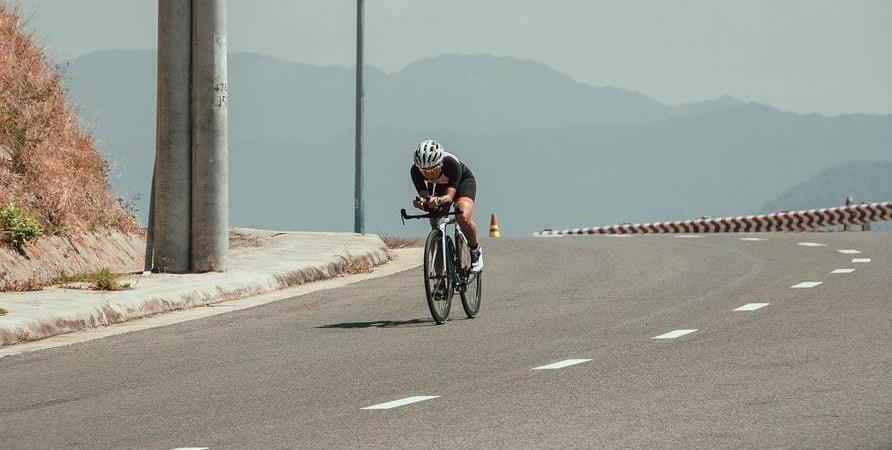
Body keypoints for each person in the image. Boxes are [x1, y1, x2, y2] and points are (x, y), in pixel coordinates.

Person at [410, 139, 483, 273]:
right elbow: (425, 196)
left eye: (433, 170)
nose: (428, 174)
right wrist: (422, 202)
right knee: (435, 224)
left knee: (462, 215)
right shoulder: (415, 171)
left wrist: (437, 200)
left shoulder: (451, 164)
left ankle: (475, 250)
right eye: (424, 171)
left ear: (440, 163)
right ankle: (439, 277)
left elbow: (449, 197)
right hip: (438, 188)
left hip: (461, 184)